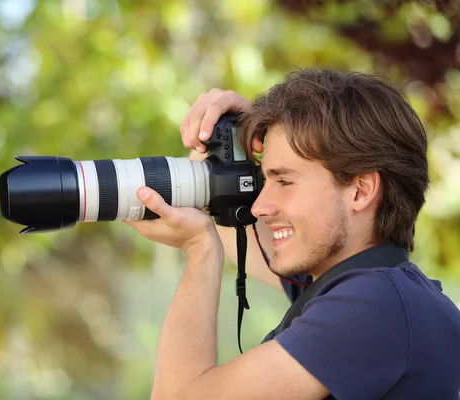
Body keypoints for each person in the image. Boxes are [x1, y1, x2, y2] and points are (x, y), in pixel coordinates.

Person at [124, 68, 460, 400]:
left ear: (360, 190)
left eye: (284, 181)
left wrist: (200, 249)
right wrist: (223, 139)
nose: (259, 206)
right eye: (264, 179)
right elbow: (228, 229)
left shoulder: (374, 304)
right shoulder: (363, 287)